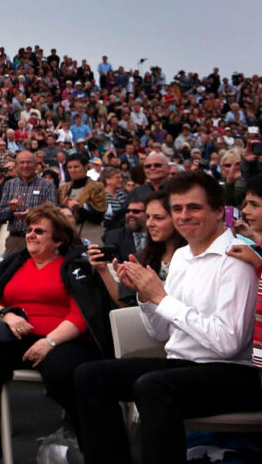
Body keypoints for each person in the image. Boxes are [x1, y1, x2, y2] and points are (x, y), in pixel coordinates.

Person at [75, 172, 262, 464]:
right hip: (183, 366)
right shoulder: (183, 256)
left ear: (218, 211)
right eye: (177, 209)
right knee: (91, 376)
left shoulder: (237, 258)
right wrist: (146, 296)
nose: (183, 216)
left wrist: (162, 298)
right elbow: (162, 333)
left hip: (236, 373)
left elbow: (229, 344)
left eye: (194, 207)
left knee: (154, 387)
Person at [0, 204, 112, 464]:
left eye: (39, 231)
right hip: (15, 335)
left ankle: (85, 436)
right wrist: (6, 315)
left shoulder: (74, 267)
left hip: (64, 338)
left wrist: (49, 341)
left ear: (59, 239)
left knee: (63, 372)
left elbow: (82, 315)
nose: (30, 235)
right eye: (29, 230)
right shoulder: (14, 264)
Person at [90, 193, 186, 307]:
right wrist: (103, 270)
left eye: (158, 218)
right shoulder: (145, 256)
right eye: (148, 217)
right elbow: (125, 304)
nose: (150, 224)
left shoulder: (192, 256)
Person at [0, 150, 58, 254]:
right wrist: (11, 209)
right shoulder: (9, 185)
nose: (25, 165)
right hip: (15, 239)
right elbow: (1, 215)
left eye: (29, 162)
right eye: (22, 162)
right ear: (16, 165)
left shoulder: (47, 186)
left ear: (36, 165)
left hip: (39, 240)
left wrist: (32, 214)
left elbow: (53, 215)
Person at [58, 153, 107, 243]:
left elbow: (98, 217)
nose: (72, 170)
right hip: (68, 234)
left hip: (91, 233)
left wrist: (80, 208)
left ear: (85, 167)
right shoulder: (63, 189)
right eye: (70, 167)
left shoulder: (96, 187)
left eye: (76, 167)